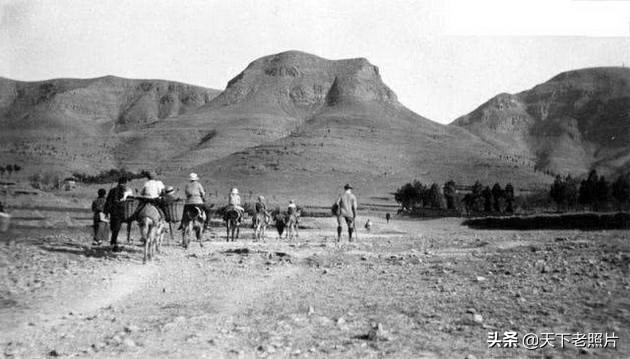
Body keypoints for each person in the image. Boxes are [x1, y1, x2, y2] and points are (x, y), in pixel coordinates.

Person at [104, 176, 131, 252]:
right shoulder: (125, 189)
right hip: (121, 211)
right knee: (116, 228)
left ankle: (113, 242)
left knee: (113, 227)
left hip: (113, 211)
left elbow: (108, 201)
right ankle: (113, 243)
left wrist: (106, 212)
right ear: (125, 183)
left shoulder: (112, 190)